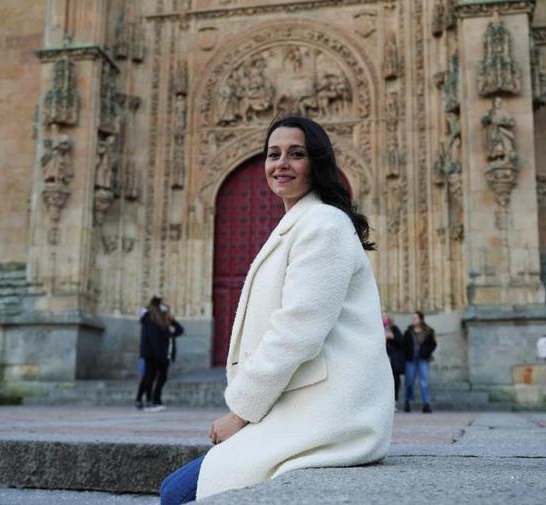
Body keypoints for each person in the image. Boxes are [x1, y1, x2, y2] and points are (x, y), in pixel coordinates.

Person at [159, 116, 393, 504]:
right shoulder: (304, 222)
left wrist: (240, 413)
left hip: (326, 416)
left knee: (176, 494)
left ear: (315, 163)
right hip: (301, 410)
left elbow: (297, 331)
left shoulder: (323, 225)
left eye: (296, 154)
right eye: (273, 154)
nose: (281, 163)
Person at [136, 296, 184, 413]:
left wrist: (171, 331)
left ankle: (149, 400)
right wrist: (160, 353)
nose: (165, 306)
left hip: (159, 352)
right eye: (163, 304)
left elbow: (179, 329)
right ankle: (148, 401)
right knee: (149, 376)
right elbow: (154, 338)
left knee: (152, 376)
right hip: (152, 352)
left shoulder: (163, 318)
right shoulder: (150, 318)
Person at [402, 311, 437, 414]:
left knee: (424, 382)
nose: (414, 320)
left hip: (423, 360)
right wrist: (406, 355)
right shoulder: (408, 331)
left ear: (421, 319)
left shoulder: (428, 331)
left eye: (416, 318)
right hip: (411, 360)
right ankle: (407, 401)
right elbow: (404, 344)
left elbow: (433, 344)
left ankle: (426, 404)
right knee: (409, 382)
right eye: (413, 318)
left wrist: (426, 352)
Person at [383, 312, 404, 405]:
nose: (384, 318)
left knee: (395, 379)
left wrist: (392, 337)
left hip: (393, 359)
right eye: (382, 316)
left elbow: (401, 343)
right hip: (382, 358)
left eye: (385, 316)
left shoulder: (394, 329)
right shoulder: (377, 328)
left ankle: (394, 400)